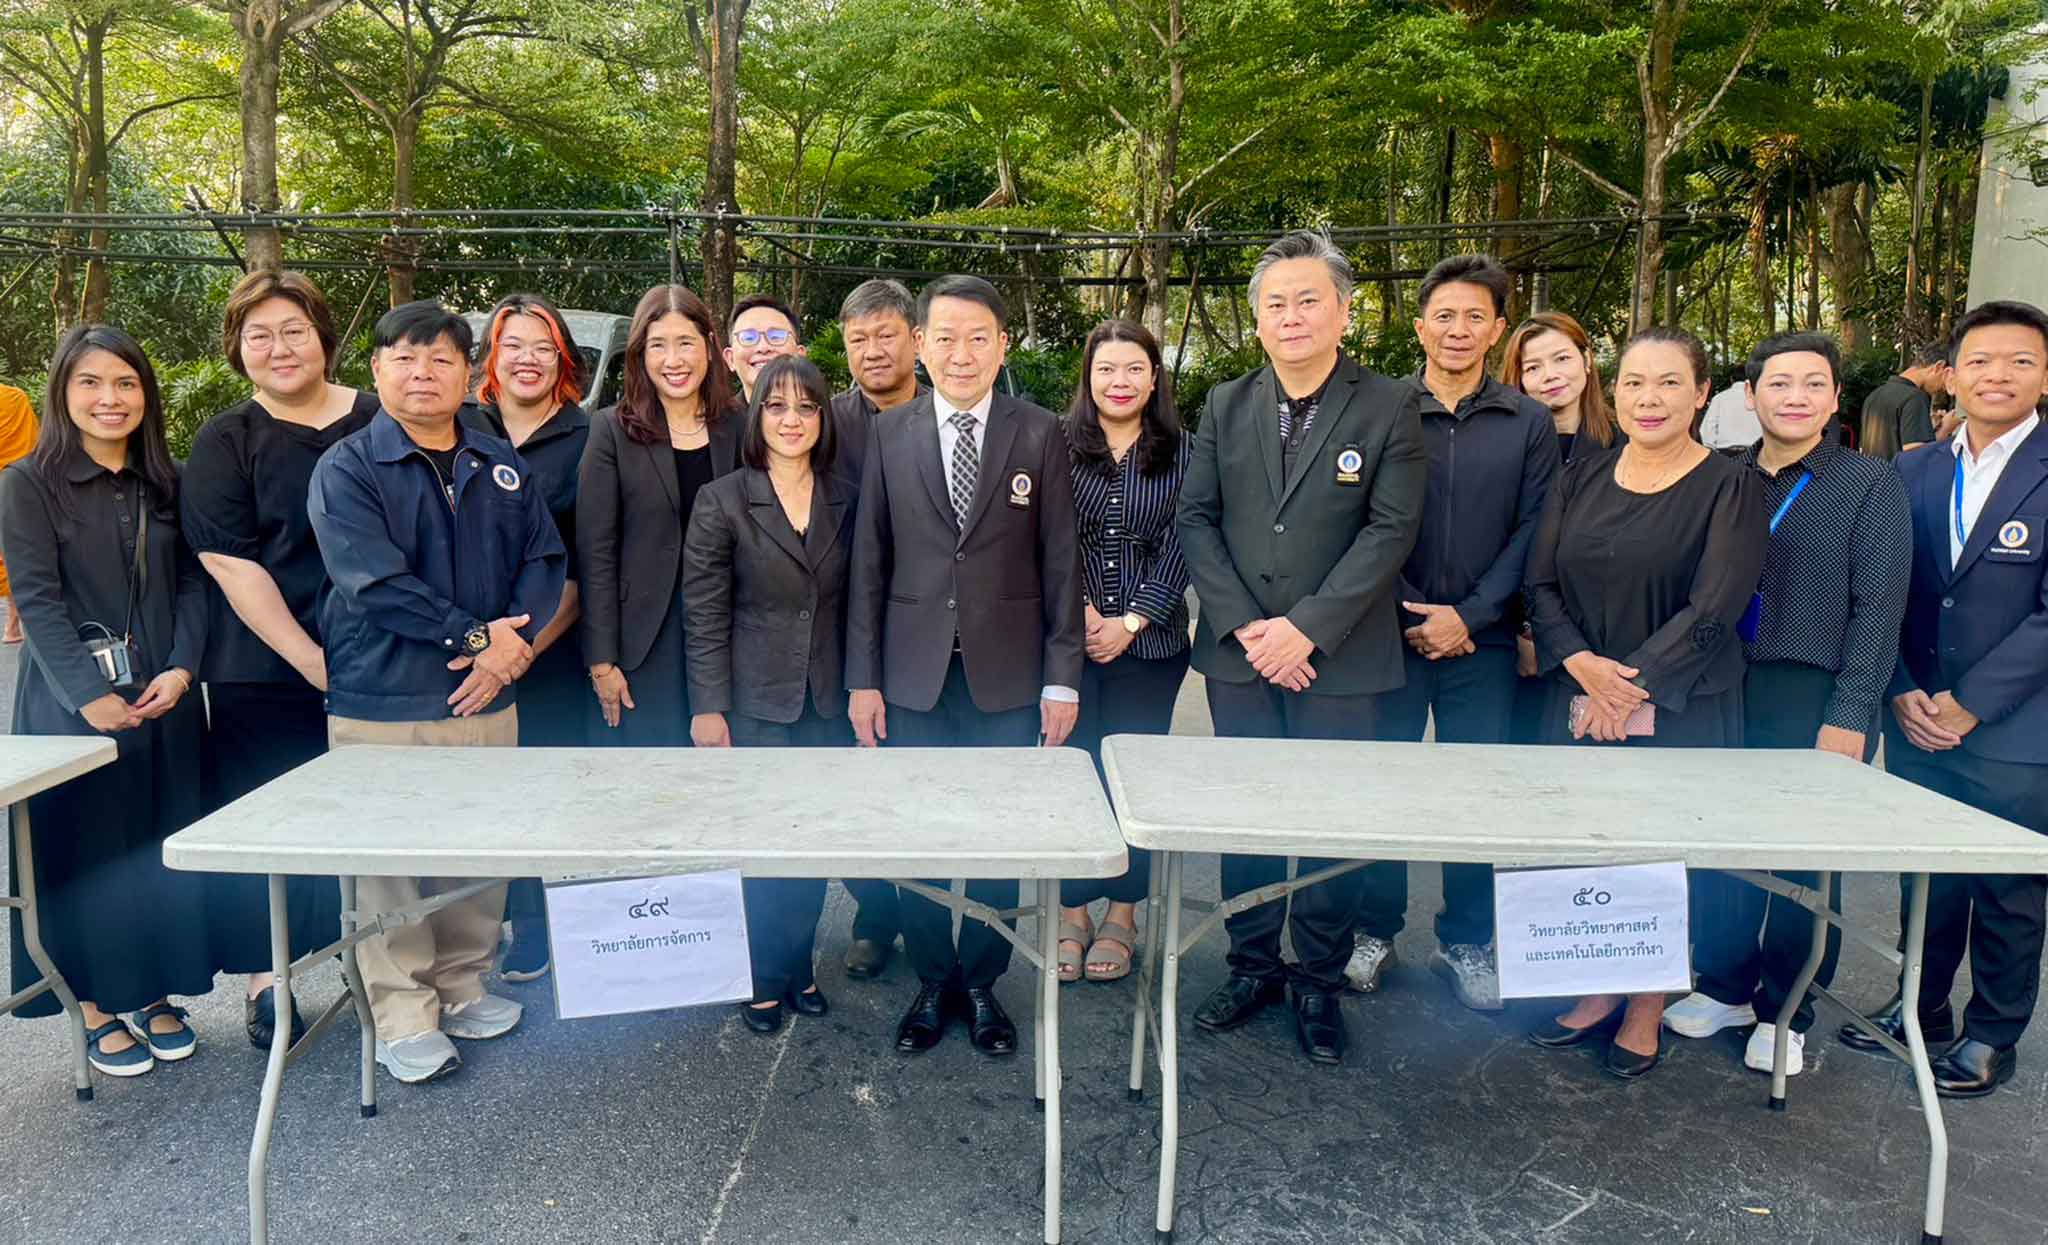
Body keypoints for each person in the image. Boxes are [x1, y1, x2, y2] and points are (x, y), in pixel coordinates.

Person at [1176, 230, 1425, 1066]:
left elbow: (1390, 529)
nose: (1291, 316)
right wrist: (1250, 626)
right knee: (1246, 814)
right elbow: (1196, 518)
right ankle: (1250, 963)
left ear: (1344, 311)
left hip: (1342, 656)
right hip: (1240, 653)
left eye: (1308, 299)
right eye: (1275, 303)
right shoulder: (1224, 403)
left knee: (1331, 819)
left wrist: (1305, 628)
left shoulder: (1389, 404)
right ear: (1256, 320)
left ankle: (1318, 979)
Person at [307, 301, 566, 1085]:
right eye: (405, 358)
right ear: (377, 369)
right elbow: (374, 582)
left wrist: (506, 653)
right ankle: (403, 1016)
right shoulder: (348, 467)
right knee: (390, 865)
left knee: (479, 853)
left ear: (467, 372)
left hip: (489, 698)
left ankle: (462, 984)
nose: (423, 373)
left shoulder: (498, 462)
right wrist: (479, 639)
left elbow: (544, 559)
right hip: (385, 700)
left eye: (442, 359)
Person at [845, 274, 1084, 1057]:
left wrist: (1061, 677)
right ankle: (931, 979)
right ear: (921, 343)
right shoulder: (890, 433)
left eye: (978, 337)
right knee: (915, 832)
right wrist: (863, 679)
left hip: (1007, 675)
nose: (960, 353)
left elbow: (1061, 562)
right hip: (910, 674)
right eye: (944, 336)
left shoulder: (1038, 431)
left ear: (1003, 345)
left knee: (996, 834)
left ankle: (982, 981)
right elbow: (869, 562)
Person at [1523, 325, 1767, 1080]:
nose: (1649, 398)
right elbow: (1540, 583)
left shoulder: (1731, 485)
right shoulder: (1581, 477)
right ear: (1615, 390)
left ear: (1701, 394)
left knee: (1662, 856)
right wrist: (1581, 665)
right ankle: (1598, 985)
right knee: (1588, 846)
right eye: (1634, 382)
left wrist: (1630, 686)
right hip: (1578, 693)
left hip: (1683, 701)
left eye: (1669, 382)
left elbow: (1717, 603)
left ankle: (1647, 1003)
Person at [1667, 332, 1910, 1076]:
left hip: (1810, 689)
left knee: (1802, 859)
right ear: (1750, 396)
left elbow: (1879, 610)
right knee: (1720, 843)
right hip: (1720, 685)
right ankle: (1724, 983)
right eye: (1778, 383)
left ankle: (1787, 1007)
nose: (1794, 397)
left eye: (1812, 383)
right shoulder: (1719, 474)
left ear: (1835, 398)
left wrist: (1852, 712)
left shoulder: (1869, 484)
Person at [1840, 301, 2048, 1098]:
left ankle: (1993, 1031)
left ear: (2043, 376)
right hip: (1918, 714)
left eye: (2020, 361)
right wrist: (1900, 687)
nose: (1998, 375)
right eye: (1981, 360)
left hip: (2016, 729)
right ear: (1951, 375)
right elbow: (1882, 588)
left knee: (2007, 889)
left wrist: (1972, 702)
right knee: (1927, 878)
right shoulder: (1913, 470)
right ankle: (1918, 1007)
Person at [1, 324, 211, 1077]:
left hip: (164, 697)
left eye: (125, 382)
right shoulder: (27, 482)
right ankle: (91, 1004)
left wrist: (183, 670)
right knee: (84, 850)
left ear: (145, 394)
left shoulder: (170, 480)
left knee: (154, 843)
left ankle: (151, 991)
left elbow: (196, 582)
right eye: (89, 382)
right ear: (63, 390)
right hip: (70, 710)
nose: (109, 398)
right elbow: (36, 598)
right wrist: (89, 697)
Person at [1351, 255, 1559, 1011]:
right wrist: (1413, 612)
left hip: (1485, 641)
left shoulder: (1527, 421)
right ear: (1420, 326)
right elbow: (1359, 522)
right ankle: (1372, 930)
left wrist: (1468, 615)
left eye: (1475, 316)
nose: (1458, 330)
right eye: (1444, 315)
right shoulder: (1380, 408)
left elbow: (1536, 528)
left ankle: (1467, 939)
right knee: (1384, 787)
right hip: (1388, 633)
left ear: (1498, 329)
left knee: (1477, 795)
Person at [182, 270, 380, 1047]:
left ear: (323, 336)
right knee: (270, 823)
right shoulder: (226, 440)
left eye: (294, 329)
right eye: (258, 335)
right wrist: (313, 661)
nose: (279, 347)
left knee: (375, 820)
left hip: (384, 660)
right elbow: (230, 563)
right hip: (264, 666)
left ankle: (385, 966)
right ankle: (271, 980)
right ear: (238, 350)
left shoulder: (381, 417)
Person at [682, 356, 853, 1034]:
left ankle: (799, 966)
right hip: (753, 702)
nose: (791, 420)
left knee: (810, 846)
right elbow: (704, 613)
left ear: (823, 418)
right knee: (758, 849)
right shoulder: (722, 499)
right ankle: (759, 975)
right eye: (776, 406)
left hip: (825, 701)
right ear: (756, 417)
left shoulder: (847, 495)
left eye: (806, 407)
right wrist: (708, 707)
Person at [460, 293, 593, 983]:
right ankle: (476, 931)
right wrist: (480, 648)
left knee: (547, 796)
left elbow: (590, 560)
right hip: (464, 649)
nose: (528, 359)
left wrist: (517, 654)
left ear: (564, 358)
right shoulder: (458, 425)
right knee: (480, 801)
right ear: (491, 356)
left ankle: (541, 928)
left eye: (543, 347)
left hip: (552, 649)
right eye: (513, 345)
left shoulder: (590, 434)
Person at [1054, 320, 1191, 985]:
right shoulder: (1055, 443)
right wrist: (1081, 610)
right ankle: (1072, 910)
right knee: (1074, 773)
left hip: (1152, 642)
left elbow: (1188, 537)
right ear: (1088, 377)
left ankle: (1124, 913)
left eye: (1134, 369)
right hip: (1069, 639)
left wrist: (1133, 619)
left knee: (1133, 780)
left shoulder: (1186, 450)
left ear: (1154, 377)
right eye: (1106, 369)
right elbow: (1047, 532)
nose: (1120, 382)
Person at [578, 285, 740, 746]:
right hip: (642, 642)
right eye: (657, 346)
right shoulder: (611, 430)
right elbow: (595, 552)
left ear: (709, 346)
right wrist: (601, 662)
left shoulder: (739, 425)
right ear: (639, 355)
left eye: (685, 342)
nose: (674, 360)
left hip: (727, 636)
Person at [826, 277, 925, 979]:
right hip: (836, 629)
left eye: (885, 334)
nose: (872, 350)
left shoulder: (952, 413)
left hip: (930, 632)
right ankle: (875, 911)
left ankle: (932, 917)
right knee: (847, 785)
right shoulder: (824, 420)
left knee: (919, 781)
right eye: (857, 339)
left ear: (915, 339)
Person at [1499, 311, 1620, 746]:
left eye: (1562, 359)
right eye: (1533, 367)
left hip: (1600, 644)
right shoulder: (1507, 449)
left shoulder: (1626, 443)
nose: (1550, 375)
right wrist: (1525, 632)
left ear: (1586, 360)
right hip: (1518, 639)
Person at [1860, 344, 1951, 461]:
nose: (1944, 389)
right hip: (1896, 473)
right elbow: (1917, 458)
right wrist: (1946, 428)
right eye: (1946, 380)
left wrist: (1928, 427)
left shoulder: (1874, 395)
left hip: (1871, 472)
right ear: (1939, 366)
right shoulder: (1915, 398)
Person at [0, 383, 39, 644]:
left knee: (13, 552)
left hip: (12, 483)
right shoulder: (14, 399)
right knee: (15, 551)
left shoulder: (14, 400)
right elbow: (32, 448)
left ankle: (14, 623)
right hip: (14, 483)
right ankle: (14, 623)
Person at [724, 293, 806, 403]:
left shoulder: (823, 412)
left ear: (800, 355)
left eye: (776, 336)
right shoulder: (716, 414)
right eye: (748, 338)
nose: (763, 347)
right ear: (730, 359)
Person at [1697, 372, 1762, 450]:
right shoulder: (1758, 398)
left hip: (1725, 453)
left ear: (1731, 379)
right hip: (1755, 451)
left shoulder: (1719, 398)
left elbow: (1707, 430)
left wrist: (1711, 451)